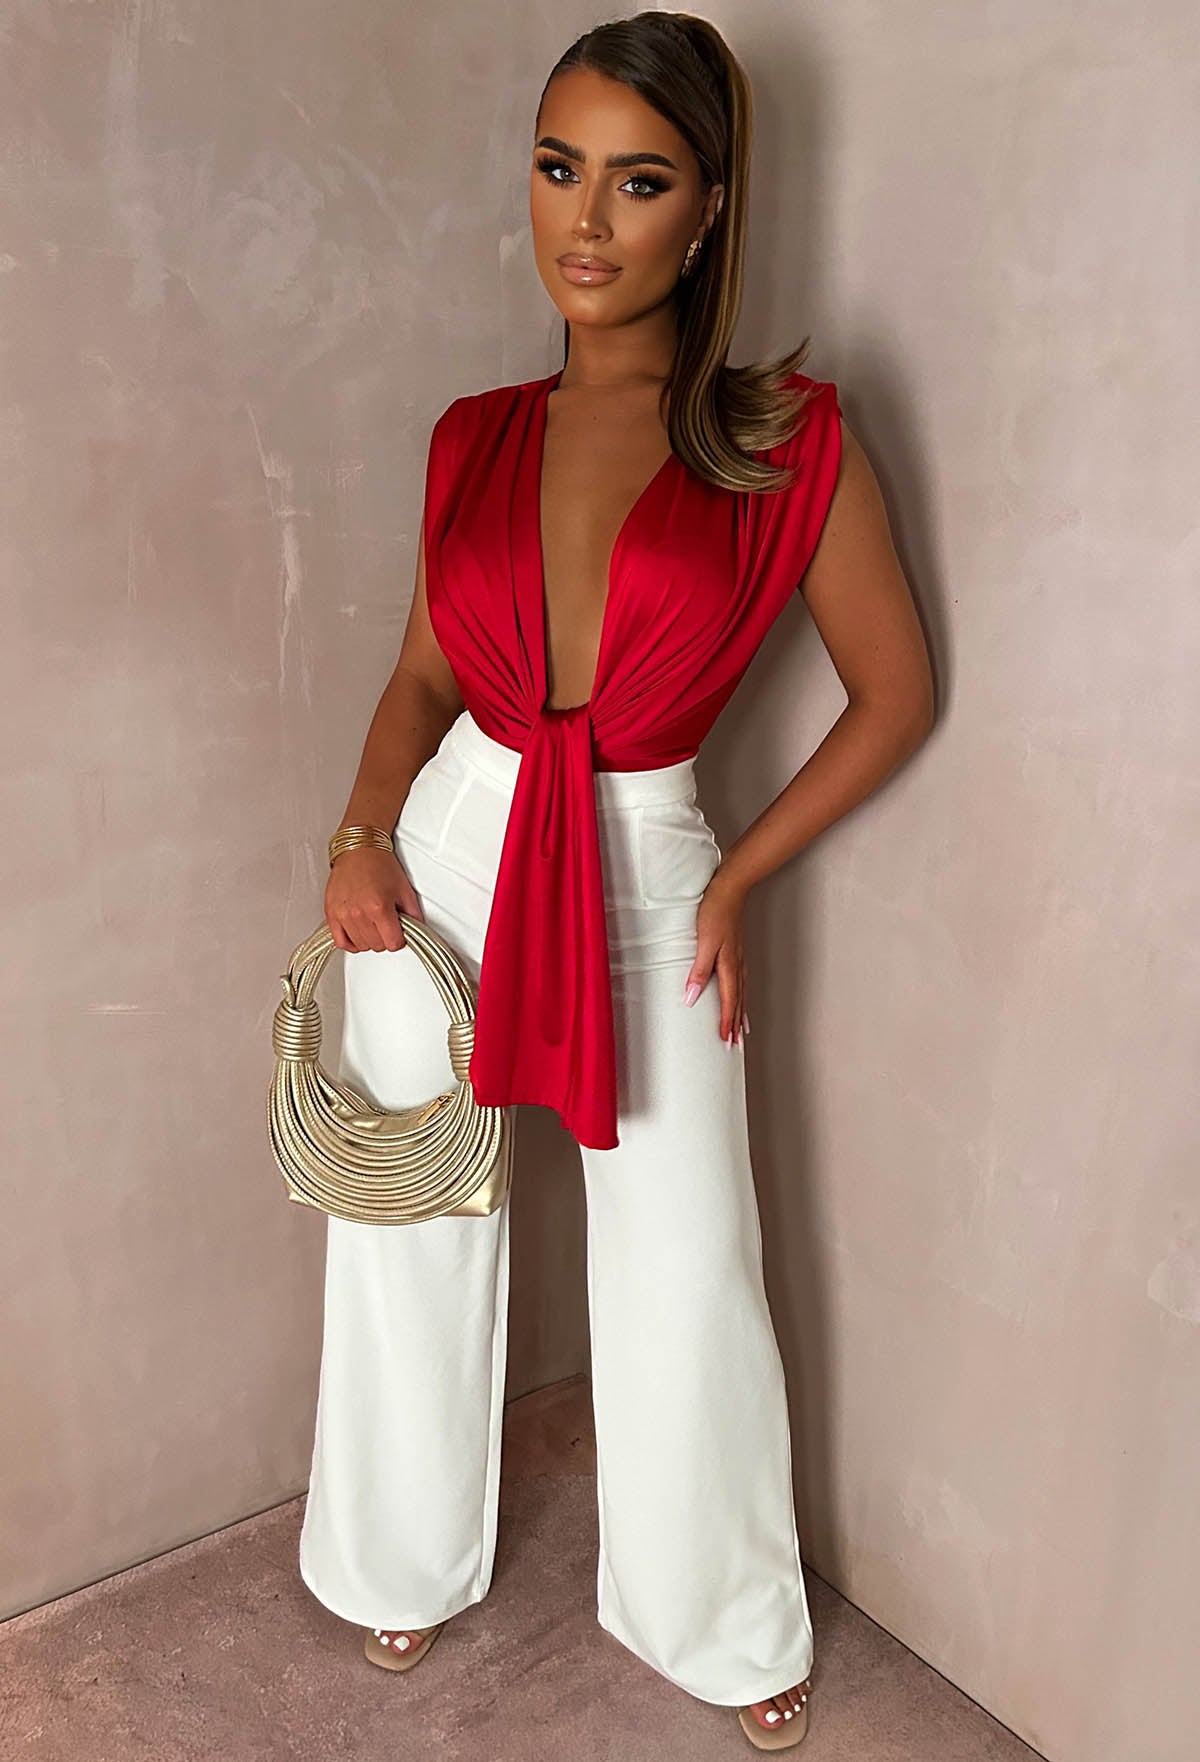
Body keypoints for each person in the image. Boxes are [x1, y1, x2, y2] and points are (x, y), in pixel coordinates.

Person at [297, 11, 933, 1752]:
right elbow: (422, 679)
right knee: (408, 1219)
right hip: (447, 849)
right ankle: (394, 1555)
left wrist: (741, 883)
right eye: (558, 166)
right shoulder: (473, 435)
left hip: (646, 858)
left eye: (638, 182)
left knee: (684, 1257)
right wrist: (358, 835)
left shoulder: (786, 439)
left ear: (709, 208)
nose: (585, 220)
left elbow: (897, 693)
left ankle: (715, 1608)